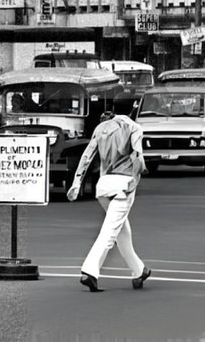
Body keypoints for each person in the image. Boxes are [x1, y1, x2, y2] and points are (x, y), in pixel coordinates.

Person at [68, 113, 151, 292]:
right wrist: (137, 176)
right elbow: (138, 155)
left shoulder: (100, 129)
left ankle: (139, 271)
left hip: (104, 186)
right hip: (123, 183)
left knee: (120, 228)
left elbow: (87, 157)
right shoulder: (134, 128)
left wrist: (76, 183)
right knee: (109, 232)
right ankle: (89, 271)